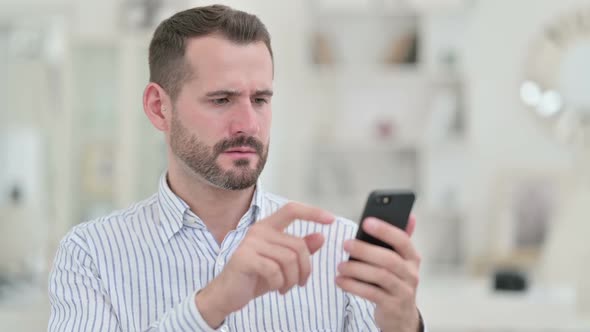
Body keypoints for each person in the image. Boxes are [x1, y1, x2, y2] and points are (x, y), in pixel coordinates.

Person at [48, 4, 425, 332]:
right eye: (221, 99)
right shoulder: (91, 255)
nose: (248, 124)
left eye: (260, 99)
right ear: (158, 107)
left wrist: (403, 325)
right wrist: (211, 305)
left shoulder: (338, 250)